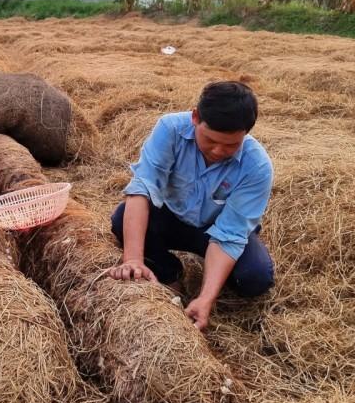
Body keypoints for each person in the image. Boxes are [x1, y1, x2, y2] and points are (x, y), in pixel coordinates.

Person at [108, 81, 274, 331]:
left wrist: (206, 298)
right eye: (209, 140)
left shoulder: (257, 166)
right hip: (172, 218)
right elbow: (143, 188)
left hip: (214, 229)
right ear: (195, 117)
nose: (218, 151)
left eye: (231, 145)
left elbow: (230, 234)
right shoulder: (170, 129)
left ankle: (210, 280)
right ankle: (169, 272)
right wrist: (133, 259)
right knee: (122, 218)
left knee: (255, 278)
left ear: (245, 134)